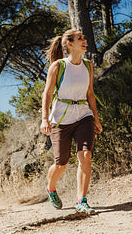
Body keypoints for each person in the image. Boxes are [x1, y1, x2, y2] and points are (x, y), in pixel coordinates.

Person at [40, 29, 103, 214]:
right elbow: (48, 94)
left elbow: (90, 94)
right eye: (80, 39)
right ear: (70, 44)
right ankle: (51, 188)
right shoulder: (58, 66)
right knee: (61, 163)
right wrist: (45, 119)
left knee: (86, 155)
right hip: (61, 118)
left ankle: (81, 201)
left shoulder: (88, 65)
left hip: (83, 115)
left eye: (83, 38)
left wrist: (96, 119)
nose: (85, 41)